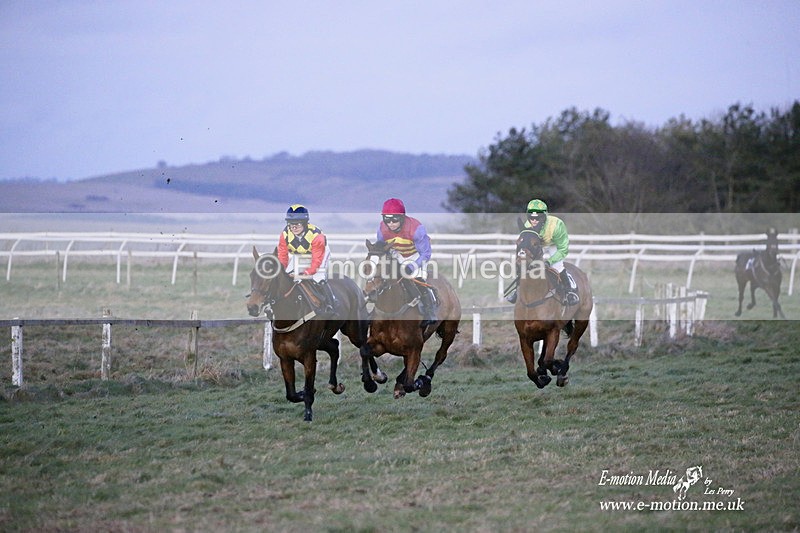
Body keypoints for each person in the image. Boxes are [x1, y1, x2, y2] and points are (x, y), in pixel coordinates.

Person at [375, 198, 438, 328]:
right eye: (387, 220)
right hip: (397, 253)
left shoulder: (416, 229)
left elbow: (425, 254)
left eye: (394, 220)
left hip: (416, 255)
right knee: (384, 279)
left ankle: (429, 311)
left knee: (418, 279)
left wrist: (412, 266)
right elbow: (381, 248)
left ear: (402, 218)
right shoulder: (382, 229)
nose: (391, 224)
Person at [506, 198, 579, 305]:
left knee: (557, 266)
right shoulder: (527, 226)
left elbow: (563, 249)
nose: (534, 221)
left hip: (554, 244)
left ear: (544, 216)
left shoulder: (557, 226)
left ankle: (569, 292)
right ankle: (517, 291)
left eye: (538, 218)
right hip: (537, 245)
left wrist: (549, 261)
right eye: (531, 217)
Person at [277, 204, 336, 317]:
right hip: (299, 255)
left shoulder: (316, 236)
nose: (294, 227)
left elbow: (316, 262)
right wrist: (282, 270)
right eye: (291, 224)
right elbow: (283, 256)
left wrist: (305, 274)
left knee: (318, 278)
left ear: (304, 223)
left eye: (297, 224)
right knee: (285, 278)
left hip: (319, 255)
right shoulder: (284, 234)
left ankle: (330, 303)